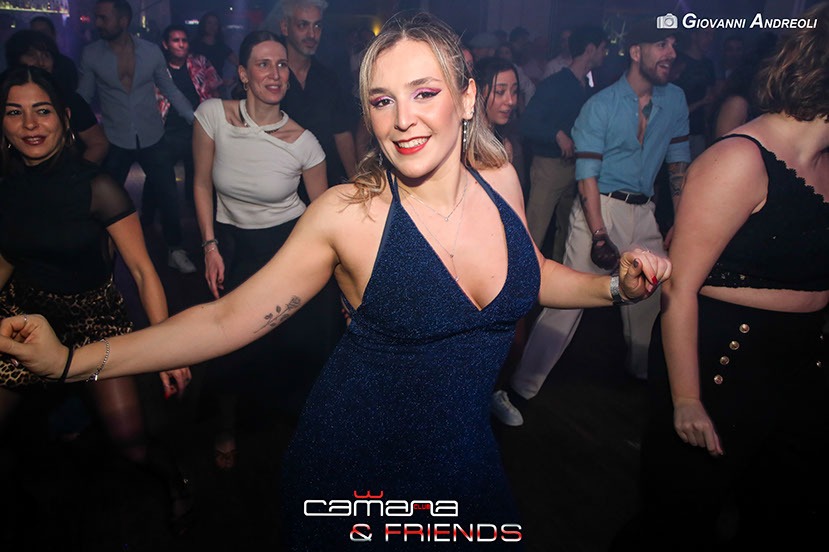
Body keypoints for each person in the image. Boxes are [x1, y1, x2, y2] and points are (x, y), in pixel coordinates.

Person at [0, 13, 670, 549]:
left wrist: (614, 289)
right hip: (359, 469)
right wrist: (68, 360)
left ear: (467, 98)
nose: (402, 118)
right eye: (382, 100)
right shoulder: (349, 216)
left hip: (464, 460)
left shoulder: (499, 177)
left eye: (425, 93)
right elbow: (223, 320)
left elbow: (531, 272)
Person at [619, 4, 829, 549]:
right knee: (682, 517)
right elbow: (679, 286)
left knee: (784, 514)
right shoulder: (741, 158)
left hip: (804, 357)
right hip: (725, 356)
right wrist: (687, 399)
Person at [0, 65, 193, 531]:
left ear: (65, 118)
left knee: (131, 442)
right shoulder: (6, 189)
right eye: (14, 112)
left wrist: (167, 347)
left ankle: (174, 484)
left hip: (93, 321)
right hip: (25, 317)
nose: (30, 124)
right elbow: (7, 258)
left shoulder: (96, 187)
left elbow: (143, 270)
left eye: (42, 111)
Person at [492, 18, 690, 427]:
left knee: (651, 296)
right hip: (599, 206)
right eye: (661, 44)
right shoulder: (600, 104)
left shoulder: (675, 100)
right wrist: (600, 234)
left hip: (645, 209)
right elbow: (587, 175)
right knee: (569, 300)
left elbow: (678, 165)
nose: (671, 52)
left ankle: (642, 375)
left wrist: (683, 220)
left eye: (673, 43)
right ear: (636, 51)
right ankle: (521, 385)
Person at [192, 30, 341, 469]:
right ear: (243, 73)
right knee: (230, 344)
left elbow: (323, 215)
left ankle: (304, 433)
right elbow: (200, 184)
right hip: (237, 248)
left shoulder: (305, 142)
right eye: (263, 64)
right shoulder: (213, 115)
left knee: (302, 346)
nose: (275, 74)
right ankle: (226, 426)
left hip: (292, 248)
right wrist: (209, 245)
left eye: (281, 65)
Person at [80, 0, 197, 274]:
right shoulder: (91, 54)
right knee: (104, 198)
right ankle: (98, 252)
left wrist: (196, 120)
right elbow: (83, 98)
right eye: (97, 17)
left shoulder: (150, 52)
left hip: (152, 135)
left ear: (123, 21)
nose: (97, 23)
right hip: (114, 138)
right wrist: (72, 131)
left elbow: (170, 90)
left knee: (168, 195)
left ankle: (175, 249)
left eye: (103, 18)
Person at [521, 25, 607, 262]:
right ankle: (523, 279)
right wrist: (557, 134)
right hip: (550, 166)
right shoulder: (556, 83)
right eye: (603, 48)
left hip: (577, 169)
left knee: (570, 231)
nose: (605, 54)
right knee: (535, 230)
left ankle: (559, 278)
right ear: (590, 49)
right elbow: (527, 122)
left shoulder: (588, 85)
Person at [275, 0, 358, 189]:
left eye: (317, 26)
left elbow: (341, 132)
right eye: (303, 25)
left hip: (325, 184)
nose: (312, 35)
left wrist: (355, 181)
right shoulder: (272, 78)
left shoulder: (328, 78)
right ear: (285, 27)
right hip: (281, 187)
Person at [4, 29, 109, 164]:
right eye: (32, 55)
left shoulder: (70, 99)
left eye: (46, 55)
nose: (40, 62)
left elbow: (99, 144)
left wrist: (75, 173)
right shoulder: (4, 96)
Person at [149, 23, 221, 212]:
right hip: (166, 130)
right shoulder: (158, 68)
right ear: (166, 44)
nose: (181, 44)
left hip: (197, 129)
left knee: (198, 174)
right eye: (176, 40)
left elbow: (215, 88)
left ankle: (197, 214)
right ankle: (148, 217)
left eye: (184, 40)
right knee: (158, 177)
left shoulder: (200, 62)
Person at [474, 56, 519, 161]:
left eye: (514, 91)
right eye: (500, 92)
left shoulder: (506, 141)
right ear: (477, 92)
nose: (510, 101)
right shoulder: (464, 144)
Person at [190, 11, 239, 98]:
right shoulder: (194, 46)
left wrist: (234, 79)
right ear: (203, 25)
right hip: (197, 88)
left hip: (218, 89)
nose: (212, 26)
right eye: (209, 23)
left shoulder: (221, 47)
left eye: (215, 24)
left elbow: (239, 63)